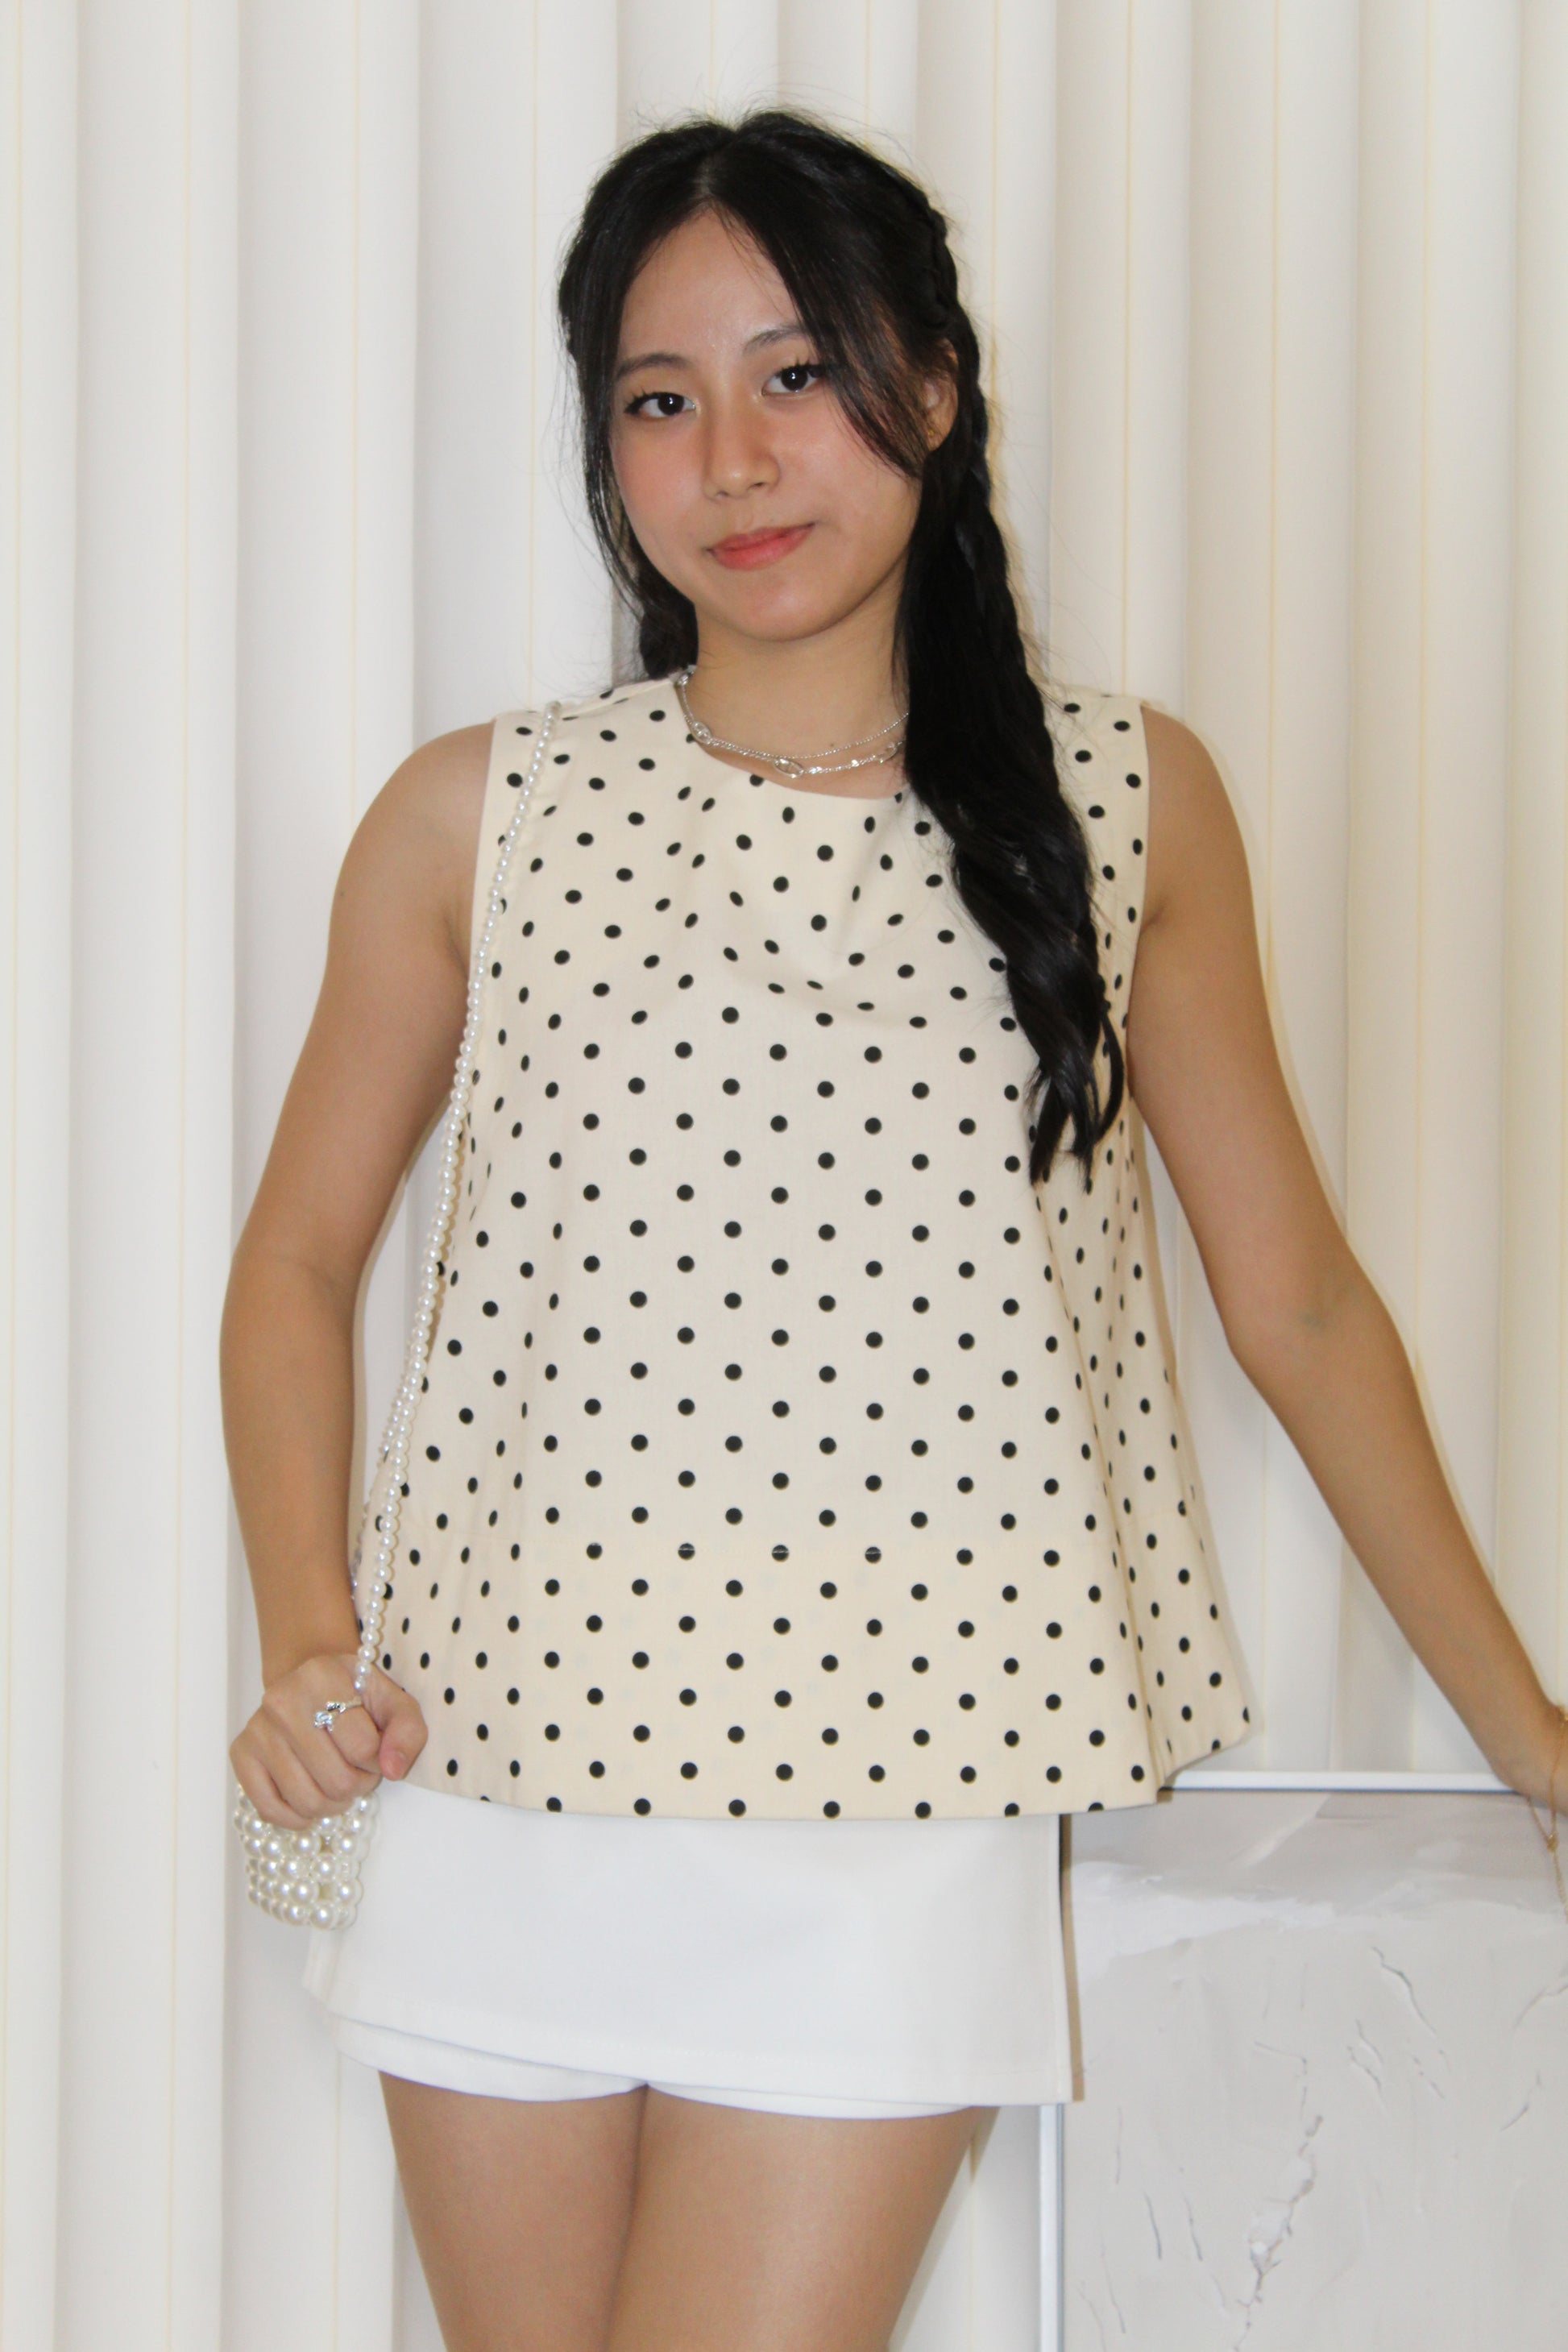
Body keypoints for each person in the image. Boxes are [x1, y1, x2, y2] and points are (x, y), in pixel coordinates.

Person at [224, 106, 1568, 2352]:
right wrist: (304, 1642)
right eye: (661, 400)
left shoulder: (1125, 799)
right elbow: (293, 1261)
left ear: (931, 384)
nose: (736, 460)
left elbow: (1302, 1308)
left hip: (902, 1791)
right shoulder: (481, 815)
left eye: (798, 373)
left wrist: (1528, 1729)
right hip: (495, 1777)